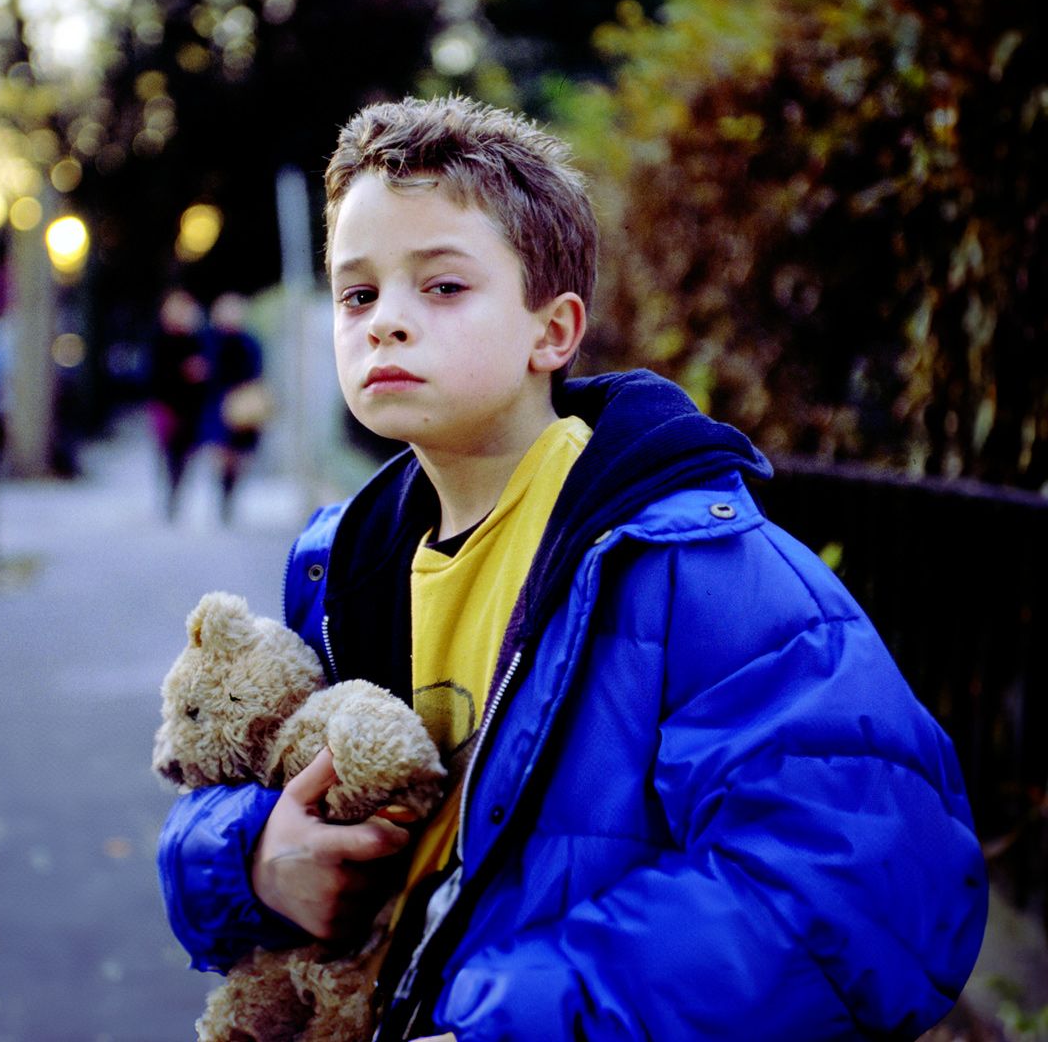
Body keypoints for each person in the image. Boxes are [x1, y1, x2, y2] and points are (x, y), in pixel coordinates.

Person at [155, 94, 985, 1040]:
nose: (384, 321)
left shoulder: (698, 568)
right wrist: (249, 857)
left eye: (442, 287)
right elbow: (237, 780)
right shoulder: (339, 569)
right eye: (358, 293)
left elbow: (869, 886)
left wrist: (512, 1021)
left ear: (552, 331)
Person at [148, 287, 211, 520]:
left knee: (185, 455)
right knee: (168, 453)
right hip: (166, 405)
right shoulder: (160, 338)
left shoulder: (196, 339)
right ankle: (169, 496)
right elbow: (154, 374)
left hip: (191, 407)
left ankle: (177, 495)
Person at [207, 291, 268, 525]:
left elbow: (257, 370)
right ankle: (223, 496)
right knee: (222, 455)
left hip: (243, 404)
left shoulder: (249, 341)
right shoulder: (213, 339)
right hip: (219, 405)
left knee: (240, 457)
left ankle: (229, 495)